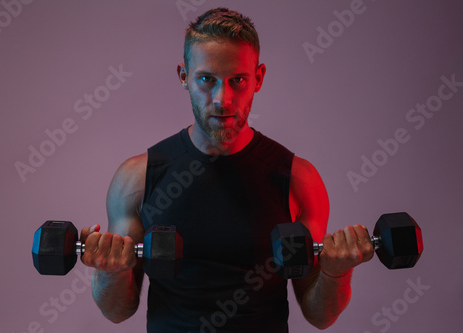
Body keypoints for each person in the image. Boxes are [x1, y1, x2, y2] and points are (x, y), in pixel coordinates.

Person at [80, 8, 374, 332]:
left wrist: (337, 272)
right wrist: (110, 269)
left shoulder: (296, 179)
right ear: (183, 76)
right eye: (207, 79)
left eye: (238, 80)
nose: (223, 99)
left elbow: (319, 315)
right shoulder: (138, 179)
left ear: (258, 78)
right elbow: (117, 311)